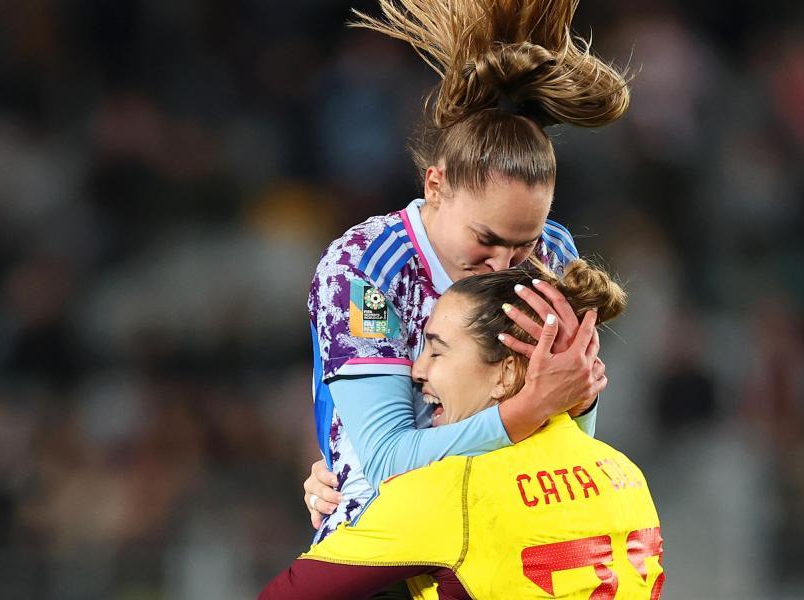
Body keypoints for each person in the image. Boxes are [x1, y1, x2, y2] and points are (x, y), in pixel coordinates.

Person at [304, 0, 632, 541]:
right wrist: (528, 410)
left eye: (521, 244)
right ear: (436, 186)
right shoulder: (365, 270)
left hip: (510, 524)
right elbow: (387, 461)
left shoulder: (553, 253)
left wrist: (580, 400)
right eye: (486, 239)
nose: (503, 266)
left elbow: (571, 431)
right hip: (392, 541)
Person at [266, 260, 663, 599]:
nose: (417, 371)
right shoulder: (625, 473)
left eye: (437, 350)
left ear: (506, 373)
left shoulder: (449, 492)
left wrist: (364, 506)